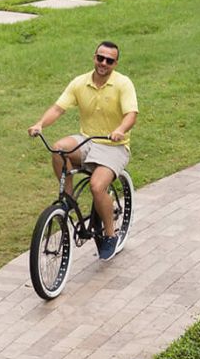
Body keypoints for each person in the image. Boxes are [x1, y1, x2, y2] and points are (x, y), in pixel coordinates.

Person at [27, 41, 138, 261]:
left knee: (97, 187)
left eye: (109, 60)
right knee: (59, 149)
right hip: (87, 141)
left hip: (113, 146)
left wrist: (120, 130)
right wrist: (40, 124)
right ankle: (68, 200)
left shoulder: (123, 84)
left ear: (116, 63)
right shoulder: (80, 82)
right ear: (94, 57)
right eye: (100, 58)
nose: (103, 63)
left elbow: (131, 114)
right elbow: (58, 108)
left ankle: (110, 234)